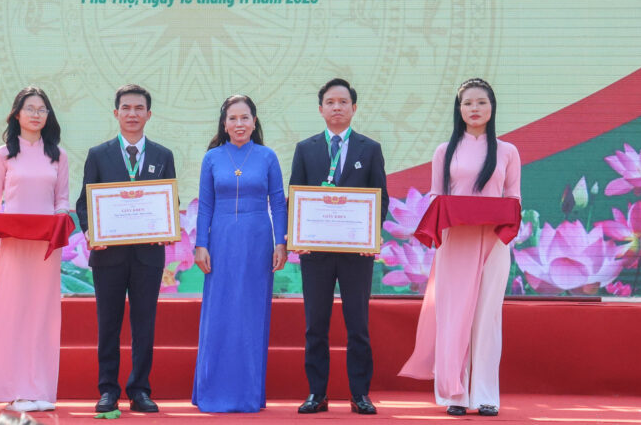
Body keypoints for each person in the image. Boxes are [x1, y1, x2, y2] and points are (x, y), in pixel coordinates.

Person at [399, 78, 522, 417]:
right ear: (459, 109)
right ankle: (456, 392)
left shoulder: (508, 151)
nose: (474, 108)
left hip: (494, 243)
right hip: (455, 242)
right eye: (468, 103)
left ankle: (485, 395)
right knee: (454, 316)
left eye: (481, 102)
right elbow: (436, 196)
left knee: (486, 317)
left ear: (492, 107)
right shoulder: (445, 150)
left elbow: (514, 197)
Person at [75, 84, 176, 414]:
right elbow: (84, 203)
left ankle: (140, 390)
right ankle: (108, 389)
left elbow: (170, 200)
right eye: (126, 108)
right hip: (109, 255)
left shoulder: (163, 156)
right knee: (109, 324)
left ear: (149, 114)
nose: (133, 114)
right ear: (116, 113)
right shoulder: (98, 154)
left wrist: (166, 226)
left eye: (139, 108)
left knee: (144, 324)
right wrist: (91, 231)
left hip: (148, 255)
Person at [290, 78, 389, 415]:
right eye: (330, 102)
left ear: (354, 108)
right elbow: (296, 196)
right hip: (315, 253)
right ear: (320, 109)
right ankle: (316, 394)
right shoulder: (305, 149)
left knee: (357, 325)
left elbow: (381, 197)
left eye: (343, 102)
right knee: (315, 326)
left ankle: (360, 394)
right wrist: (298, 236)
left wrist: (372, 236)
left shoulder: (369, 148)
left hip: (356, 254)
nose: (336, 107)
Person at [0, 86, 70, 413]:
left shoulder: (58, 155)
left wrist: (60, 221)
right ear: (16, 114)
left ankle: (39, 389)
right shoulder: (2, 155)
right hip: (13, 245)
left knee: (42, 314)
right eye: (30, 108)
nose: (36, 114)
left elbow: (61, 201)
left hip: (45, 248)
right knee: (11, 310)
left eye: (42, 109)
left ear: (48, 116)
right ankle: (9, 388)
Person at [192, 94, 288, 413]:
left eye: (245, 117)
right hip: (220, 241)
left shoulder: (267, 156)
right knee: (219, 314)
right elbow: (205, 205)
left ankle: (247, 393)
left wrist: (281, 243)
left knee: (250, 314)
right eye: (232, 118)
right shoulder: (212, 158)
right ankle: (212, 391)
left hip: (257, 240)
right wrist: (201, 244)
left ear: (254, 121)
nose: (239, 124)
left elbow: (278, 202)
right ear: (224, 124)